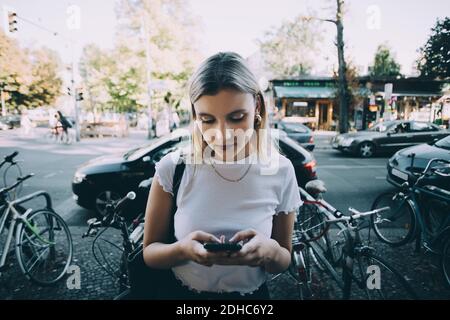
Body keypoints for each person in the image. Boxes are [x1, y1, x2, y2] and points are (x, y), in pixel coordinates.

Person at [143, 52, 303, 299]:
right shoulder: (173, 168)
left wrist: (270, 252)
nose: (223, 134)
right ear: (195, 116)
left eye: (236, 117)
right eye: (207, 120)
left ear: (257, 106)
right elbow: (150, 252)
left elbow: (283, 259)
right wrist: (182, 251)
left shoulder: (281, 170)